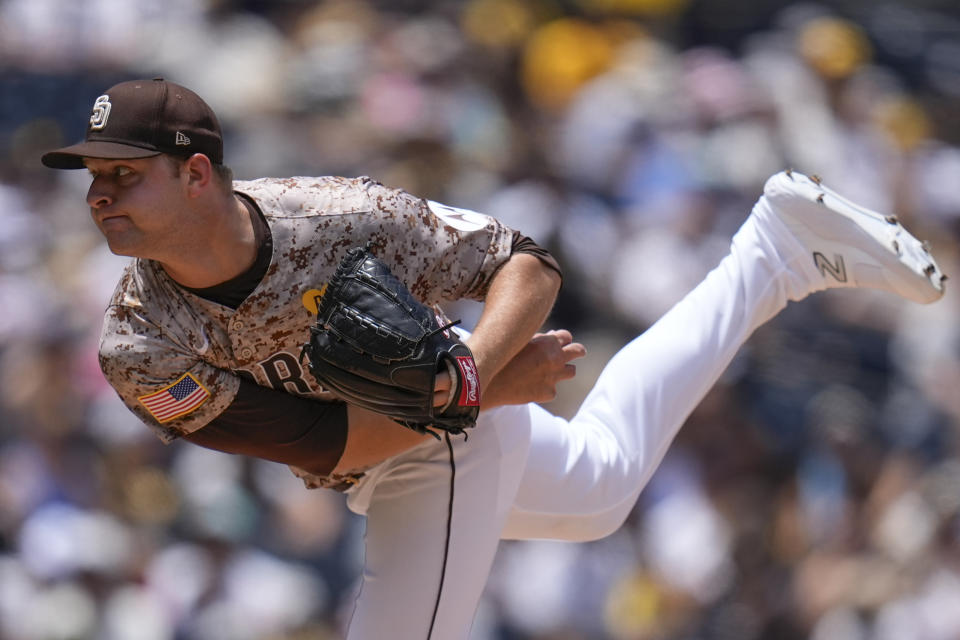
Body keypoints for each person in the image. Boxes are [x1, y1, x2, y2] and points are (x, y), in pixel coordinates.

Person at [42, 78, 945, 639]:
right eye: (94, 177)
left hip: (444, 431)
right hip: (395, 440)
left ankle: (778, 251)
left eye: (124, 173)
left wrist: (468, 374)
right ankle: (775, 255)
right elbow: (325, 448)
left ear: (197, 173)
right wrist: (465, 390)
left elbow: (526, 263)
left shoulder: (337, 218)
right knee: (598, 491)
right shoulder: (137, 344)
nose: (100, 195)